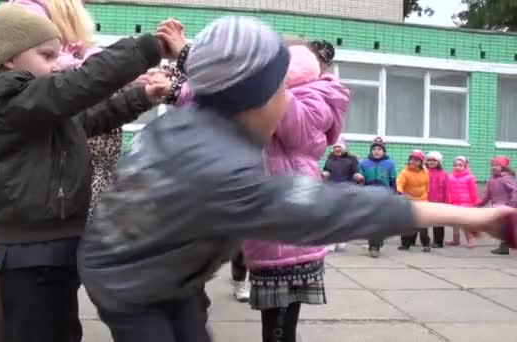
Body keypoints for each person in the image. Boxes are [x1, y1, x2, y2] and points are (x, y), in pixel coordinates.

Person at [77, 16, 516, 342]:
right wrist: (479, 217)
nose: (289, 103)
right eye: (281, 91)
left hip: (160, 271)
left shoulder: (188, 125)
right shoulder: (220, 166)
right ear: (253, 100)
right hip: (129, 285)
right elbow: (340, 209)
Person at [0, 4, 169, 341]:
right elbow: (81, 85)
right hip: (31, 253)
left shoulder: (41, 107)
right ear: (9, 59)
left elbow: (91, 118)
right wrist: (147, 48)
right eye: (47, 56)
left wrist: (141, 97)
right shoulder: (8, 99)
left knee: (62, 332)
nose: (56, 66)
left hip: (57, 245)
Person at [241, 38, 349, 342]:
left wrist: (269, 85)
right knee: (274, 325)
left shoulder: (320, 95)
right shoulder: (265, 93)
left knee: (280, 326)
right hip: (264, 218)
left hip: (292, 223)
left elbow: (296, 128)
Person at [358, 137, 397, 258]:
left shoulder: (390, 164)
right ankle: (373, 246)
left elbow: (392, 181)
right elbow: (360, 180)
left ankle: (378, 240)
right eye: (374, 149)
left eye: (379, 149)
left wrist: (393, 194)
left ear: (384, 151)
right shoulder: (364, 163)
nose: (376, 151)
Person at [322, 135, 361, 253]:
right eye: (335, 147)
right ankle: (331, 242)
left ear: (344, 148)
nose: (337, 149)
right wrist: (324, 174)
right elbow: (326, 171)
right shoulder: (329, 159)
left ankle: (342, 240)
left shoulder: (351, 160)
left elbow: (355, 173)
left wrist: (357, 177)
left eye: (339, 147)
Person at [477, 156, 517, 255]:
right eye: (492, 165)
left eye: (497, 165)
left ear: (503, 167)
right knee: (502, 228)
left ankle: (504, 247)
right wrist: (481, 204)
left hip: (506, 206)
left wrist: (511, 204)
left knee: (506, 228)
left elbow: (515, 191)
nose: (494, 167)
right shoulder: (492, 179)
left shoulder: (507, 178)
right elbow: (488, 194)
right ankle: (504, 247)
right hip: (497, 206)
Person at [397, 150, 431, 252]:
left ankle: (426, 244)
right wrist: (399, 191)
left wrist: (426, 197)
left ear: (421, 162)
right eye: (411, 159)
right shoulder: (405, 172)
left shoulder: (425, 172)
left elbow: (426, 186)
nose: (413, 162)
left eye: (416, 160)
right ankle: (405, 244)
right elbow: (399, 183)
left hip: (422, 201)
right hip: (409, 200)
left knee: (422, 225)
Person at [447, 156, 480, 248]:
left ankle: (471, 240)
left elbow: (473, 190)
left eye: (460, 165)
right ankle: (455, 240)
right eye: (455, 165)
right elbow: (448, 190)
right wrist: (448, 200)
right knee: (455, 223)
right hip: (454, 203)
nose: (457, 167)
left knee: (465, 222)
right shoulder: (450, 177)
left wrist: (476, 200)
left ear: (465, 166)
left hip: (465, 203)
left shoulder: (469, 177)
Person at [426, 151, 449, 248]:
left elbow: (446, 189)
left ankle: (438, 242)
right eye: (429, 160)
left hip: (438, 201)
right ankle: (424, 240)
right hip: (425, 200)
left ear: (439, 162)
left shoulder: (443, 174)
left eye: (434, 160)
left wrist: (446, 202)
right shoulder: (423, 171)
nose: (431, 162)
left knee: (438, 223)